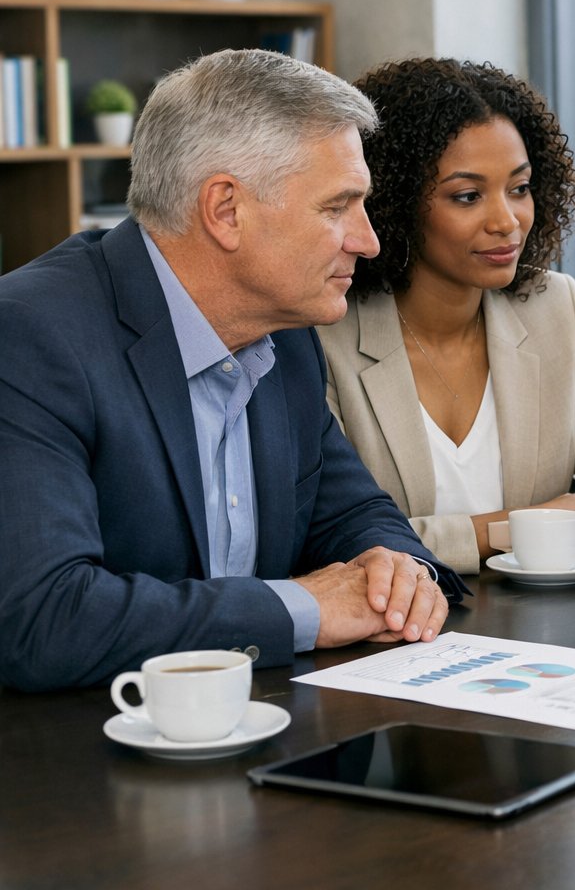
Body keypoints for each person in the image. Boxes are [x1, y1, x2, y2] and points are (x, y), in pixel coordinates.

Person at [0, 49, 464, 693]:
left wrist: (399, 572)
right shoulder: (28, 335)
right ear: (225, 210)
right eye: (337, 207)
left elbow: (352, 512)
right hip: (86, 757)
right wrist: (305, 608)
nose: (367, 240)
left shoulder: (286, 333)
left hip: (262, 730)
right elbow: (43, 619)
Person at [318, 59, 575, 575]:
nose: (507, 221)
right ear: (394, 203)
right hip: (394, 635)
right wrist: (520, 526)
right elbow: (334, 539)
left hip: (544, 624)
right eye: (467, 196)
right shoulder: (323, 334)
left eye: (520, 188)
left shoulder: (556, 308)